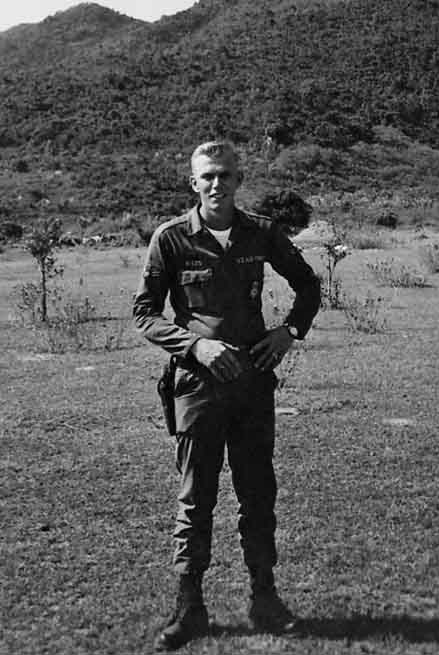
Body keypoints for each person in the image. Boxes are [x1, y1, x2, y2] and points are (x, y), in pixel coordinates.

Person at [133, 141, 321, 651]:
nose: (217, 184)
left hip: (253, 385)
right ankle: (189, 607)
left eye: (226, 175)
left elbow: (309, 286)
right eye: (207, 177)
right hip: (197, 387)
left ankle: (266, 600)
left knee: (258, 495)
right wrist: (196, 344)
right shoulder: (171, 240)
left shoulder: (262, 233)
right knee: (196, 499)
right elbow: (145, 313)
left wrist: (289, 333)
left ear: (239, 179)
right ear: (193, 183)